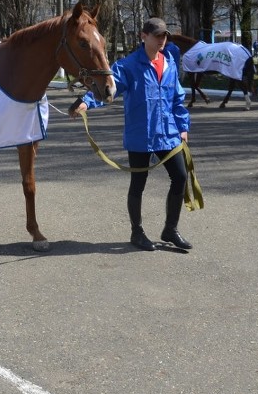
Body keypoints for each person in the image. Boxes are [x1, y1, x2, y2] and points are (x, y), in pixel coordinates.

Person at [69, 17, 193, 251]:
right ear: (143, 36)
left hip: (167, 132)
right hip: (141, 134)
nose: (161, 40)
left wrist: (183, 127)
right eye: (157, 35)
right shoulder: (128, 65)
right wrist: (86, 102)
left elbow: (177, 98)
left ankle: (170, 229)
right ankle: (137, 233)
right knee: (138, 183)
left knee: (180, 177)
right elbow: (109, 88)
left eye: (164, 36)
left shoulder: (169, 63)